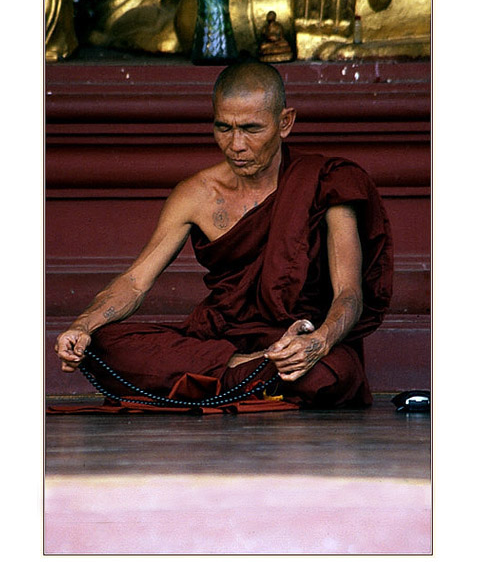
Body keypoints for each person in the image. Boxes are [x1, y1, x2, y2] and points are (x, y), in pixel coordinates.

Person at [55, 62, 393, 408]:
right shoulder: (196, 194)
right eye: (223, 128)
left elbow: (349, 293)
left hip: (298, 341)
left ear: (285, 123)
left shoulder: (326, 182)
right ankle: (250, 372)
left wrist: (319, 341)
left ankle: (220, 380)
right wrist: (83, 325)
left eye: (251, 129)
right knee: (103, 344)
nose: (236, 145)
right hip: (221, 340)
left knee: (331, 374)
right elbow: (135, 281)